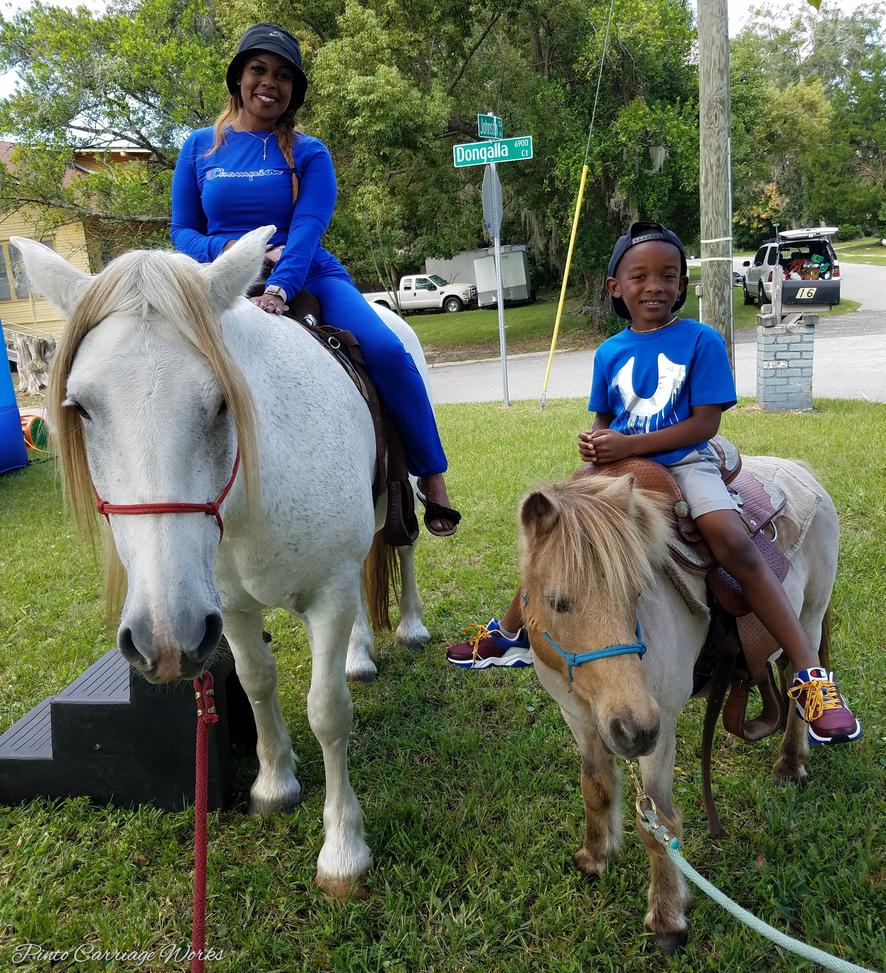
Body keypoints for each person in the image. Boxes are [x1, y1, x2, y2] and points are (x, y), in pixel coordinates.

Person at [447, 220, 861, 747]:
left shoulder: (700, 340)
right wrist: (596, 444)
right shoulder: (609, 352)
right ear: (615, 287)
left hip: (687, 461)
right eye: (639, 276)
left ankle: (808, 673)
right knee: (559, 533)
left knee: (731, 539)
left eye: (669, 275)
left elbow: (704, 424)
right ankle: (509, 632)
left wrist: (627, 447)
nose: (656, 286)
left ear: (683, 285)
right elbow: (605, 419)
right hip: (618, 469)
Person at [170, 23, 460, 536]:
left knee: (388, 350)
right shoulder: (197, 149)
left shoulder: (309, 152)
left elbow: (307, 227)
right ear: (238, 78)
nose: (269, 82)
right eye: (258, 69)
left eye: (283, 75)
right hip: (220, 281)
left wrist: (279, 285)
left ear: (293, 92)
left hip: (308, 274)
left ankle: (430, 476)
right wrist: (235, 251)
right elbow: (183, 232)